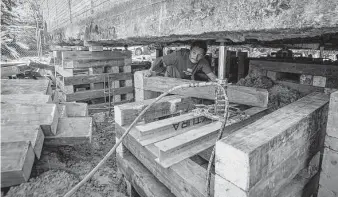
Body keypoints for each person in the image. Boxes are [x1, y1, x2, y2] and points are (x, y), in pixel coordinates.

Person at [144, 41, 217, 81]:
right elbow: (159, 59)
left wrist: (220, 83)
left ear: (203, 56)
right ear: (190, 51)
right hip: (172, 76)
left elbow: (212, 77)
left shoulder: (203, 62)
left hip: (186, 78)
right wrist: (150, 70)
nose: (195, 57)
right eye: (194, 53)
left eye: (199, 55)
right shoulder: (178, 55)